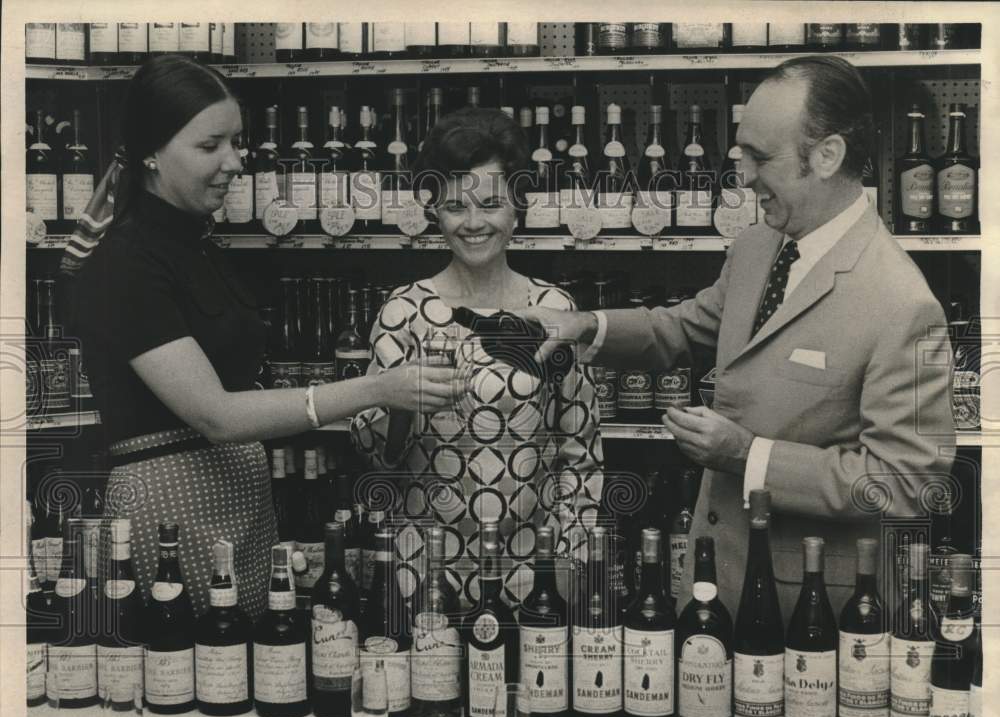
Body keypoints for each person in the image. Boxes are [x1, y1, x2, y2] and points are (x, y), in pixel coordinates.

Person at [520, 55, 956, 619]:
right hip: (709, 587)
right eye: (741, 153)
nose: (743, 176)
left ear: (827, 156)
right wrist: (586, 324)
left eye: (761, 157)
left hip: (809, 609)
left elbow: (906, 482)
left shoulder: (901, 301)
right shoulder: (757, 246)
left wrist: (749, 456)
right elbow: (687, 324)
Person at [68, 55, 458, 620]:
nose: (234, 162)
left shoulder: (196, 246)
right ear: (151, 152)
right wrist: (376, 388)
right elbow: (216, 415)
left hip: (240, 501)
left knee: (244, 672)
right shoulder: (125, 263)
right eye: (211, 146)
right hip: (171, 509)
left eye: (237, 142)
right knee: (189, 675)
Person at [351, 107, 604, 608]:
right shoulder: (404, 312)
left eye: (490, 204)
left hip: (535, 575)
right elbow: (377, 461)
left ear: (518, 206)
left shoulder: (555, 311)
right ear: (433, 212)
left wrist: (574, 560)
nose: (472, 223)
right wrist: (401, 404)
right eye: (453, 207)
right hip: (422, 573)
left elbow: (580, 452)